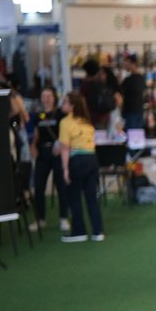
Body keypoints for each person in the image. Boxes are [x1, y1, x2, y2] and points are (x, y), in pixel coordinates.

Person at [58, 91, 104, 243]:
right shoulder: (87, 122)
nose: (62, 104)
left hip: (77, 161)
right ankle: (97, 231)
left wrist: (65, 169)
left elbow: (64, 148)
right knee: (92, 197)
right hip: (92, 159)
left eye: (65, 102)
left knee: (74, 196)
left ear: (72, 106)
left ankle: (79, 231)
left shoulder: (65, 122)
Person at [29, 86, 69, 233]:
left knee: (62, 187)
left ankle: (64, 218)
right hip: (42, 154)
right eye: (44, 96)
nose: (46, 99)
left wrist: (61, 145)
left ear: (54, 98)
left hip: (58, 153)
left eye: (49, 96)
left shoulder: (60, 114)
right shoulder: (37, 115)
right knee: (38, 186)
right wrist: (33, 146)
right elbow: (35, 134)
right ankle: (40, 219)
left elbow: (66, 132)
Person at [120, 52, 147, 130]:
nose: (125, 65)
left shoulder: (129, 79)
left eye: (127, 63)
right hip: (138, 110)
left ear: (134, 64)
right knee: (136, 136)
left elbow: (121, 91)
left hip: (130, 111)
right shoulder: (141, 78)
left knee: (131, 135)